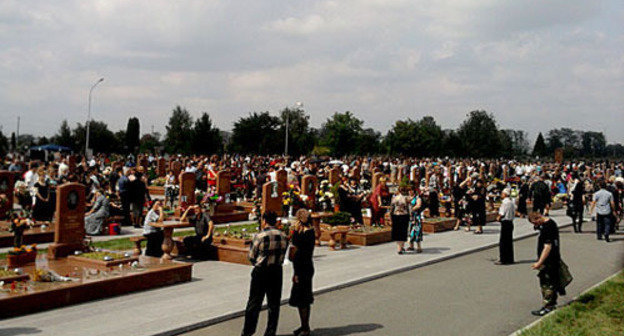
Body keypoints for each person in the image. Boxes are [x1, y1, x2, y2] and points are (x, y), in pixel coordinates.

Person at [241, 211, 289, 336]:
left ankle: (248, 331)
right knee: (274, 304)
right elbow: (283, 254)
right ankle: (270, 331)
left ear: (264, 221)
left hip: (261, 271)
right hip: (276, 271)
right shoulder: (283, 235)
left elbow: (251, 256)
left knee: (254, 303)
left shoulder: (260, 236)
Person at [528, 212, 563, 316]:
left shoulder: (547, 228)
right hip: (553, 259)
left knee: (547, 284)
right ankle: (550, 304)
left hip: (549, 261)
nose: (535, 226)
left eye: (535, 223)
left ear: (538, 218)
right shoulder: (551, 223)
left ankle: (548, 306)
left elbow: (547, 247)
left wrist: (539, 262)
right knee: (551, 282)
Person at [288, 209, 316, 336]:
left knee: (301, 298)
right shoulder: (311, 232)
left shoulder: (298, 234)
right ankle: (304, 325)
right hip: (308, 265)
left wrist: (296, 272)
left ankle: (305, 328)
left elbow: (294, 252)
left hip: (300, 267)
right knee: (305, 297)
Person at [495, 189, 515, 265]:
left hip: (505, 222)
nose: (501, 195)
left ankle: (503, 259)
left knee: (503, 242)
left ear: (505, 194)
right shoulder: (511, 202)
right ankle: (510, 258)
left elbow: (502, 213)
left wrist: (498, 218)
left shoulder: (504, 202)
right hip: (510, 222)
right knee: (509, 242)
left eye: (502, 193)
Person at [390, 187, 410, 254]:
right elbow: (408, 208)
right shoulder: (406, 198)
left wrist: (390, 216)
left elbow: (391, 208)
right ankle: (401, 247)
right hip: (404, 215)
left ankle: (399, 248)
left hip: (396, 215)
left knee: (397, 232)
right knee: (403, 231)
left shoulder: (395, 198)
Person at [407, 188, 423, 253]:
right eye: (409, 190)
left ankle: (419, 247)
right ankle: (411, 246)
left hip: (416, 217)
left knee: (417, 231)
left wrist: (412, 209)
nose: (410, 191)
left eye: (411, 190)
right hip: (409, 217)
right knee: (410, 231)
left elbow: (419, 205)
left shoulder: (417, 198)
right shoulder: (407, 198)